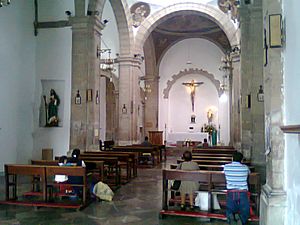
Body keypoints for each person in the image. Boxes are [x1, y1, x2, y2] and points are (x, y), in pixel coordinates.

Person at [224, 152, 250, 225]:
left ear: (232, 158)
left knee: (230, 209)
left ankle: (231, 218)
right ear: (241, 160)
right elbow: (249, 173)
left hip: (231, 191)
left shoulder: (226, 167)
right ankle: (241, 220)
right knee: (244, 210)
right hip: (243, 192)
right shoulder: (245, 168)